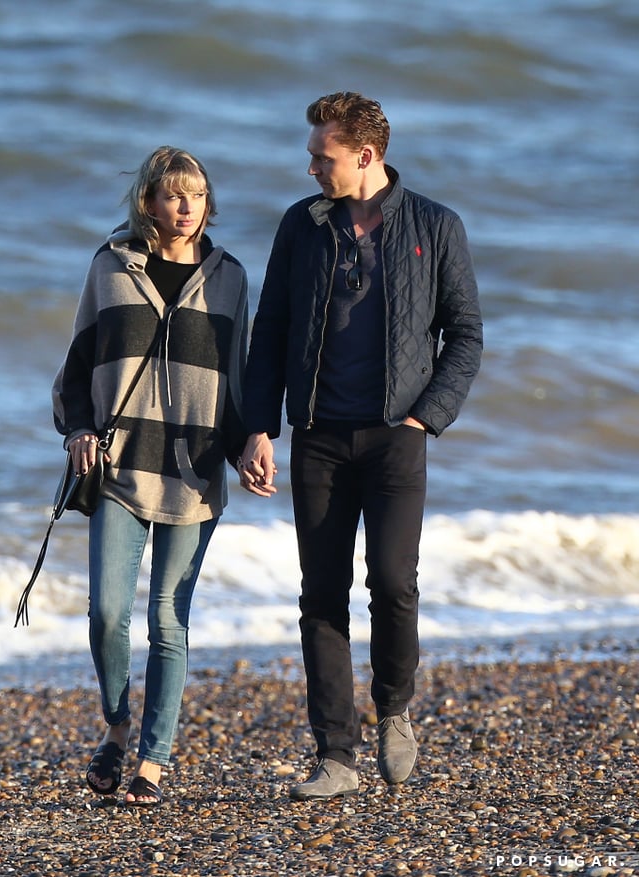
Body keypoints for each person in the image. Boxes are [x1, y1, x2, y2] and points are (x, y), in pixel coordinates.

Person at [240, 93, 483, 799]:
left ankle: (396, 707)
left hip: (395, 437)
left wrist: (426, 417)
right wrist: (260, 424)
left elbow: (465, 335)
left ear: (366, 156)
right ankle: (336, 756)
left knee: (394, 582)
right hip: (317, 435)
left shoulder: (436, 226)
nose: (311, 164)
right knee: (321, 594)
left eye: (324, 155)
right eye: (314, 153)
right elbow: (272, 331)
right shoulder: (301, 225)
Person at [53, 147, 249, 806]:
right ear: (149, 203)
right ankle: (116, 724)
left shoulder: (230, 279)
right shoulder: (110, 267)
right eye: (172, 195)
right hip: (119, 467)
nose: (185, 206)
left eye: (195, 194)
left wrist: (253, 440)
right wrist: (77, 427)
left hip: (193, 475)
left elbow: (240, 379)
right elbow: (78, 363)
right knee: (108, 612)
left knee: (168, 620)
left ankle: (153, 760)